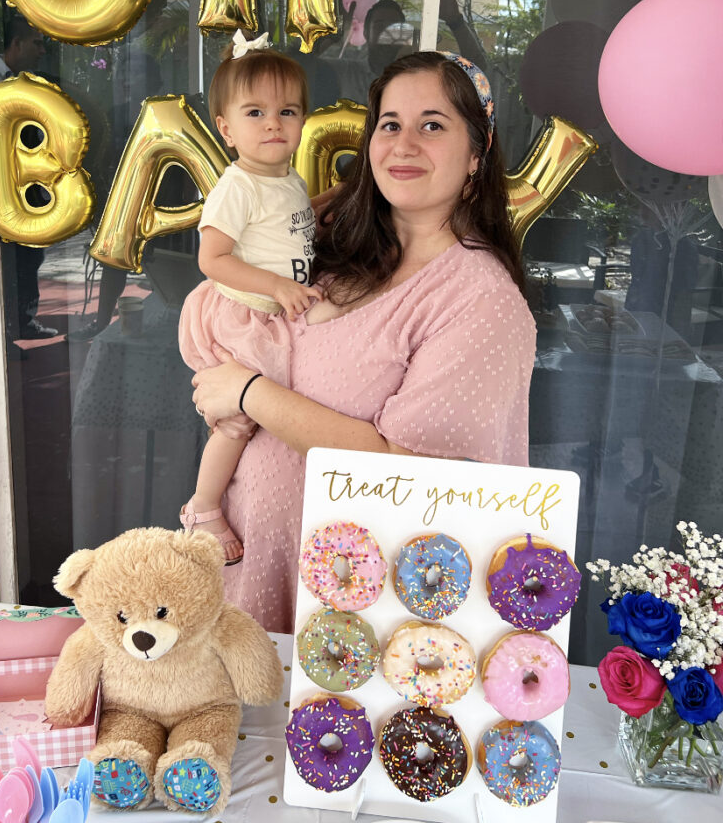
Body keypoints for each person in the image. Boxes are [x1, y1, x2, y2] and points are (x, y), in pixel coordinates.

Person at [189, 50, 536, 632]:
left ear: (477, 153)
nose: (403, 145)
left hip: (352, 617)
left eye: (433, 125)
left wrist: (246, 393)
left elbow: (410, 474)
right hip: (250, 569)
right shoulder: (338, 243)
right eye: (390, 124)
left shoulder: (481, 302)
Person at [178, 32, 323, 565]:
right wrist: (277, 286)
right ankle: (203, 505)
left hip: (276, 310)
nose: (272, 124)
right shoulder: (238, 185)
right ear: (225, 127)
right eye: (255, 112)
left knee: (278, 408)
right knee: (240, 417)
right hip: (245, 313)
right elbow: (212, 260)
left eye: (287, 111)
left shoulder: (287, 178)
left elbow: (287, 234)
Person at [0, 15, 57, 341]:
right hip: (1, 190)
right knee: (5, 263)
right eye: (37, 43)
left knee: (31, 256)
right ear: (16, 45)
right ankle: (5, 332)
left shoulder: (32, 83)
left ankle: (24, 321)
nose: (43, 51)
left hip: (30, 191)